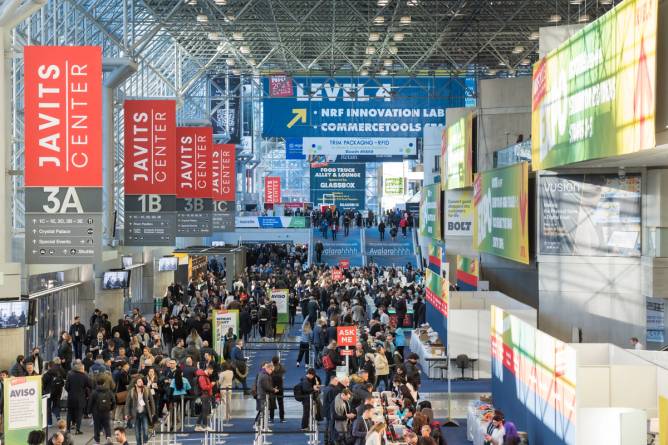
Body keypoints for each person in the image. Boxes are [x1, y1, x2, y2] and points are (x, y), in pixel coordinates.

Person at [125, 377, 155, 445]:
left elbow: (152, 401)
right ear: (135, 384)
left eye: (141, 381)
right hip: (135, 414)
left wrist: (153, 411)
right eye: (139, 381)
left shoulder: (146, 390)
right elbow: (127, 404)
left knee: (145, 430)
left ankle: (145, 442)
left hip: (144, 413)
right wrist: (126, 414)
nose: (141, 383)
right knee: (137, 432)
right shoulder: (132, 391)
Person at [65, 362, 92, 435]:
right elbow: (90, 385)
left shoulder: (70, 375)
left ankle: (67, 429)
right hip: (80, 399)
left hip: (71, 398)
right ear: (81, 369)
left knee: (69, 414)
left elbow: (66, 387)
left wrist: (71, 392)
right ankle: (77, 430)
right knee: (79, 415)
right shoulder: (84, 376)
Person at [88, 379, 115, 445]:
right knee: (107, 425)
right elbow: (114, 401)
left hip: (96, 412)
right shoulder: (109, 391)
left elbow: (90, 402)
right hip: (106, 411)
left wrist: (89, 411)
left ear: (97, 383)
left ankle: (97, 441)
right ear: (104, 383)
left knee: (96, 426)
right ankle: (108, 437)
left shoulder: (94, 392)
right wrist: (111, 408)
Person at [43, 358, 67, 425]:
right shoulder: (59, 372)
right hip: (58, 392)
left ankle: (49, 423)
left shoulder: (47, 374)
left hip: (49, 393)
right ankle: (58, 416)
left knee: (48, 407)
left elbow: (43, 384)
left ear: (49, 366)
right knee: (56, 405)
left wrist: (44, 391)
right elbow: (63, 381)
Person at [194, 364, 215, 431]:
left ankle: (198, 425)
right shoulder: (202, 377)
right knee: (205, 411)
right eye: (211, 371)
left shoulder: (204, 376)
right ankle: (205, 426)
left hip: (205, 395)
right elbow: (204, 387)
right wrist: (211, 385)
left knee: (203, 411)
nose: (212, 372)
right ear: (208, 369)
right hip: (204, 396)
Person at [269, 356, 285, 423]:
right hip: (280, 387)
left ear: (272, 361)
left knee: (272, 403)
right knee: (281, 403)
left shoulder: (271, 368)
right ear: (278, 361)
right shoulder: (281, 367)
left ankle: (271, 418)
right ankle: (282, 418)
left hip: (272, 387)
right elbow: (284, 370)